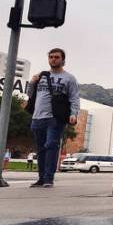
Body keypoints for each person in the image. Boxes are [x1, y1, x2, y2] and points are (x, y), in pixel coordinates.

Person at [28, 48, 80, 187]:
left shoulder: (69, 78)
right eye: (51, 57)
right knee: (41, 149)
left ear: (63, 60)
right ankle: (41, 178)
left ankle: (48, 178)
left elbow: (74, 98)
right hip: (38, 117)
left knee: (51, 145)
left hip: (55, 117)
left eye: (56, 57)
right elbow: (30, 95)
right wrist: (32, 82)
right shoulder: (42, 76)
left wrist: (74, 113)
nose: (53, 59)